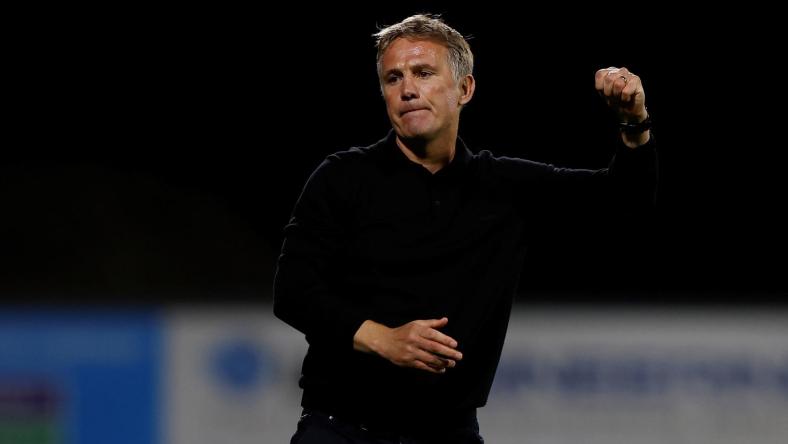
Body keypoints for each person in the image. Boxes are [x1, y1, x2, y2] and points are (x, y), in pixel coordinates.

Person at [273, 13, 656, 444]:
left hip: (448, 432)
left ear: (465, 89)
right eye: (393, 78)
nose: (408, 89)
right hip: (341, 429)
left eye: (423, 73)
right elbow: (293, 291)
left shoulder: (503, 187)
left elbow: (623, 201)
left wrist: (634, 123)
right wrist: (381, 338)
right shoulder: (342, 178)